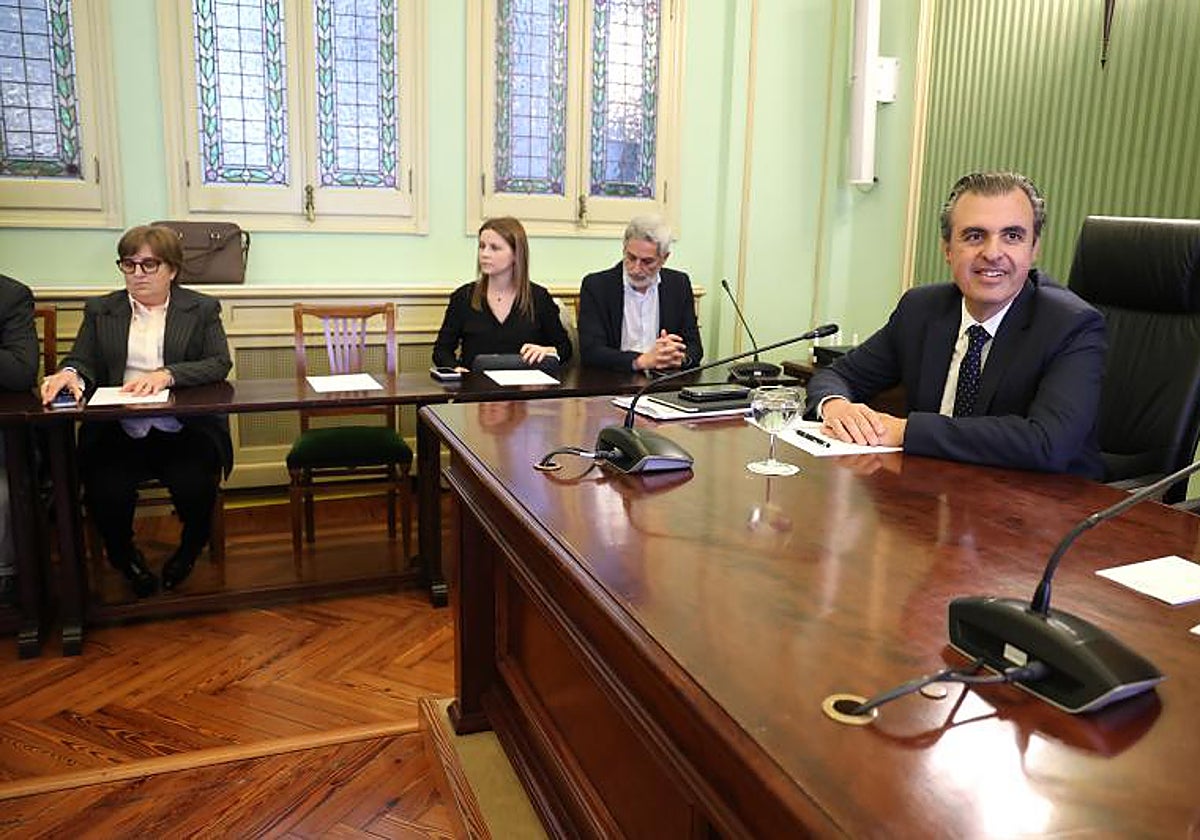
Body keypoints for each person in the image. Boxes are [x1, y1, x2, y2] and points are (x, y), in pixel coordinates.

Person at [805, 170, 1106, 478]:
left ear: (1034, 249)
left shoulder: (1071, 326)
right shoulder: (921, 309)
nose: (993, 253)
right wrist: (836, 406)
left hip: (1045, 498)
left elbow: (1047, 442)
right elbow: (839, 374)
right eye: (975, 236)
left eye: (1012, 236)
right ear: (947, 249)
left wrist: (906, 431)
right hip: (936, 489)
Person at [40, 225, 233, 598]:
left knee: (195, 484)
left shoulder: (201, 308)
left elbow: (218, 362)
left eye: (149, 265)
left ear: (172, 269)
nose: (138, 274)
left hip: (182, 427)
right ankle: (124, 557)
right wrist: (69, 374)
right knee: (106, 490)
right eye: (129, 265)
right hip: (117, 428)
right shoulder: (102, 310)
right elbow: (82, 359)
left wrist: (168, 374)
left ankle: (190, 549)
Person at [432, 217, 572, 371]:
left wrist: (549, 351)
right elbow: (441, 351)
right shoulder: (463, 297)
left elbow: (565, 349)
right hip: (477, 384)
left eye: (494, 248)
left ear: (516, 254)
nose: (484, 254)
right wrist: (455, 368)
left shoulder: (539, 297)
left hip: (526, 384)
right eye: (482, 246)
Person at [577, 215, 703, 372]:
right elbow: (591, 351)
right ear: (624, 250)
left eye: (647, 261)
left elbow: (694, 347)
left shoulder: (678, 284)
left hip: (664, 378)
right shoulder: (597, 286)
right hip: (614, 378)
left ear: (664, 258)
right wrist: (639, 361)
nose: (636, 269)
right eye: (631, 258)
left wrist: (678, 357)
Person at [0, 275, 39, 604]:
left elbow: (20, 372)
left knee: (2, 491)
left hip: (5, 432)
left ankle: (6, 579)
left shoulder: (10, 295)